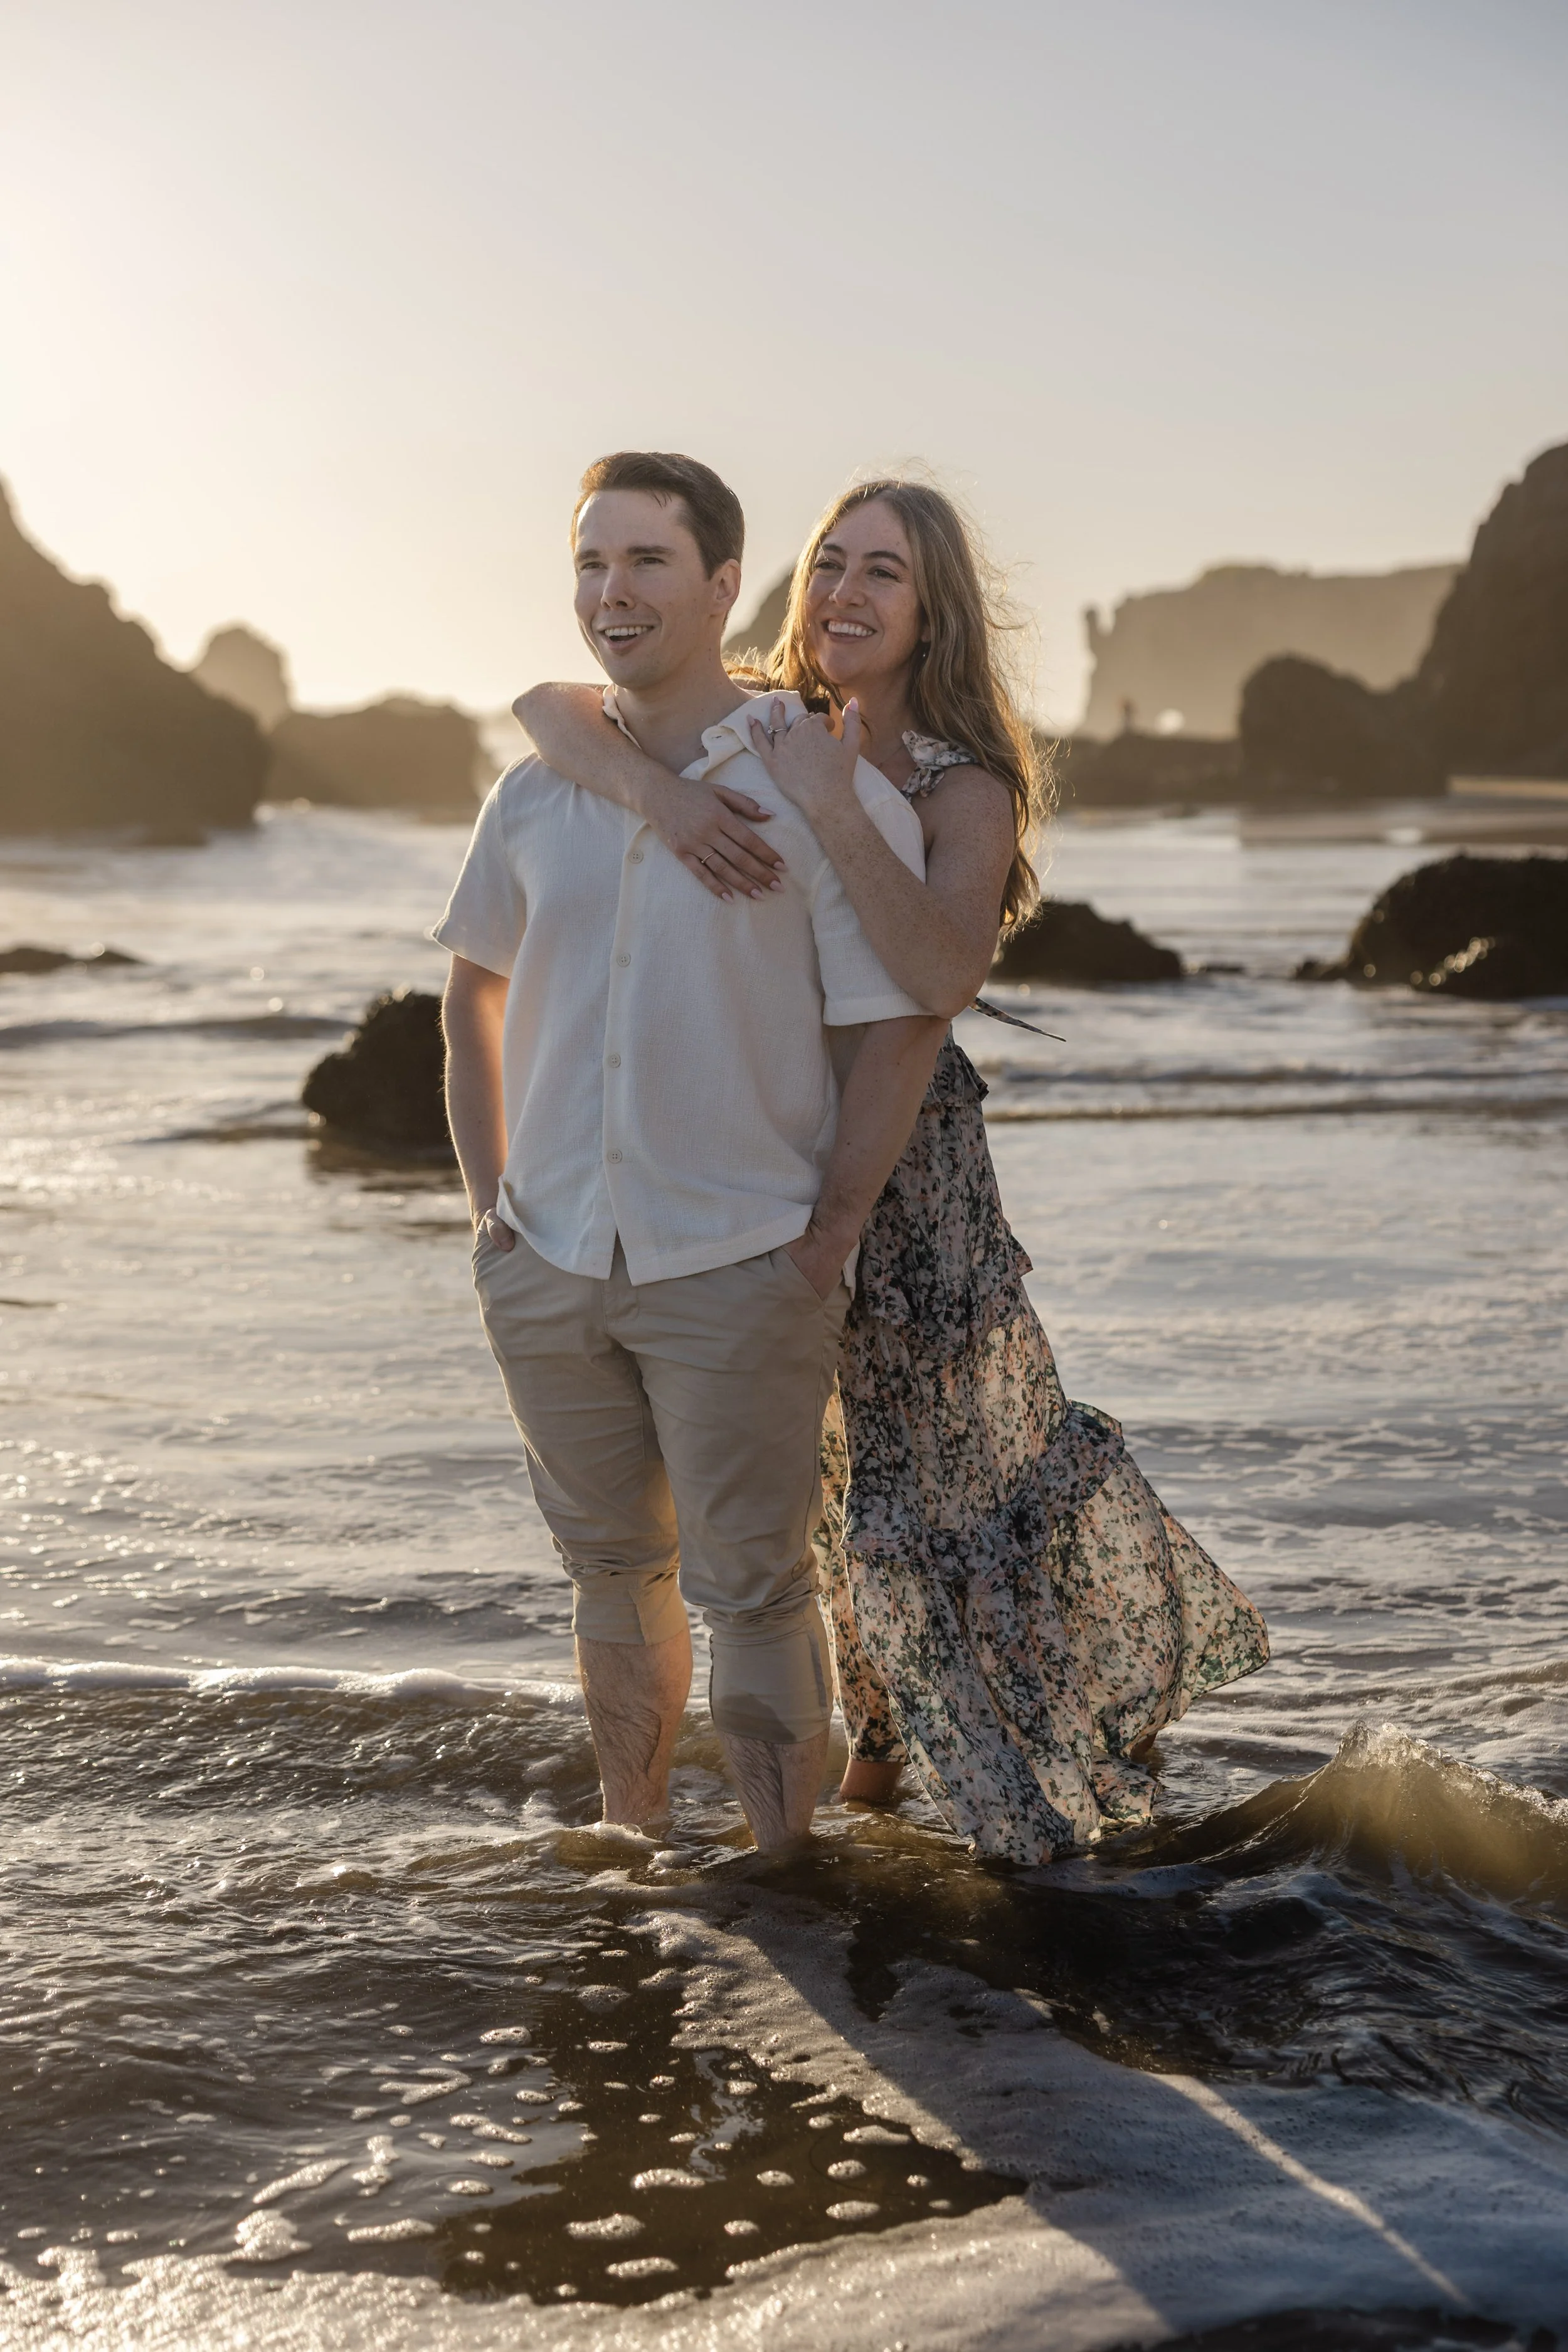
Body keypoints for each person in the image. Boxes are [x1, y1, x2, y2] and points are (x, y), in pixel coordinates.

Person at [512, 475, 1269, 1865]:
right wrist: (655, 797)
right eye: (831, 567)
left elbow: (933, 978)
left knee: (930, 1494)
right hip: (751, 1160)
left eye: (885, 577)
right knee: (812, 1496)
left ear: (933, 620)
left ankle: (1020, 1804)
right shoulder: (758, 719)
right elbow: (548, 711)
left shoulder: (955, 782)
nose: (846, 597)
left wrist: (822, 798)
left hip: (901, 1184)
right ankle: (862, 1795)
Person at [436, 451, 946, 1855]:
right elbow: (471, 985)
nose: (612, 592)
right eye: (592, 562)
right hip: (546, 1256)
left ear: (725, 584)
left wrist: (824, 1239)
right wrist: (490, 1207)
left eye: (646, 561)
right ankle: (635, 1850)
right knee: (606, 1573)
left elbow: (892, 1029)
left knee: (757, 1595)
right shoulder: (535, 791)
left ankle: (787, 1888)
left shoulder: (814, 789)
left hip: (738, 1259)